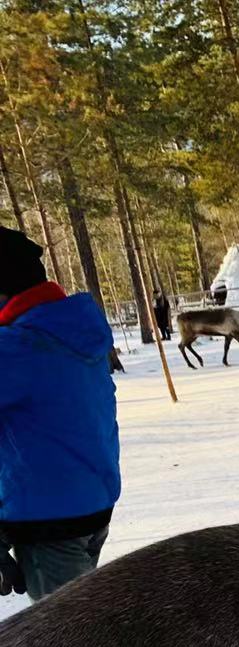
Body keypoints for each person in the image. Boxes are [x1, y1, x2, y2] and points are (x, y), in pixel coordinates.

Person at [0, 226, 121, 602]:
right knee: (81, 631)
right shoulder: (68, 330)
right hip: (91, 503)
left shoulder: (18, 347)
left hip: (47, 522)